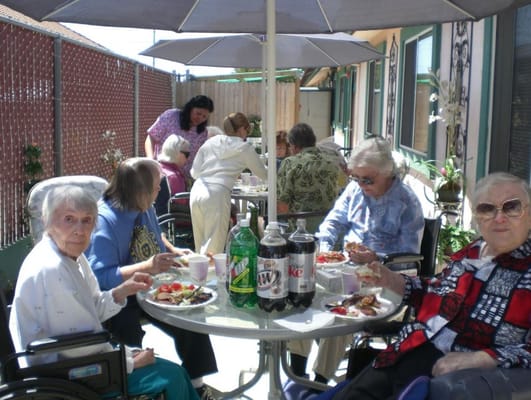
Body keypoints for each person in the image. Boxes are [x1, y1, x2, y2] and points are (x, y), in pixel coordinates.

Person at [326, 171, 531, 399]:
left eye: (511, 207)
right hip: (408, 350)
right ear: (477, 217)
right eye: (487, 209)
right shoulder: (470, 253)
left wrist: (483, 358)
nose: (499, 217)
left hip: (456, 378)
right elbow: (434, 292)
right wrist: (390, 279)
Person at [9, 185, 199, 400]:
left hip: (73, 361)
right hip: (60, 376)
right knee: (172, 375)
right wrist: (130, 362)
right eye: (69, 219)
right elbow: (79, 345)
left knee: (169, 369)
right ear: (47, 221)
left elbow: (91, 308)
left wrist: (121, 291)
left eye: (87, 220)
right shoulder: (52, 269)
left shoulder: (72, 256)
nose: (79, 230)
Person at [287, 137, 424, 386]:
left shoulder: (407, 202)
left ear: (387, 173)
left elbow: (408, 258)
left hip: (383, 278)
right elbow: (331, 223)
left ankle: (320, 380)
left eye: (367, 180)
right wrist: (324, 250)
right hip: (344, 268)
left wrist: (377, 258)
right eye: (355, 178)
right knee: (301, 287)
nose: (361, 184)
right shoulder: (354, 190)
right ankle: (297, 370)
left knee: (343, 307)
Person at [85, 157, 218, 400]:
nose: (160, 190)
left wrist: (174, 250)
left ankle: (197, 384)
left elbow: (156, 235)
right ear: (139, 191)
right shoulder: (104, 222)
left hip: (152, 285)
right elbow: (102, 277)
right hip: (120, 293)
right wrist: (147, 266)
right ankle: (134, 386)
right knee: (124, 324)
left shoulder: (143, 206)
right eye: (157, 186)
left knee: (192, 311)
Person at [190, 112, 267, 255]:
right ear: (242, 129)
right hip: (217, 194)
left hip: (197, 190)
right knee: (214, 249)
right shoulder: (244, 148)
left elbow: (194, 173)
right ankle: (211, 277)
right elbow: (263, 174)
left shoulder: (210, 142)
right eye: (246, 131)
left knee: (199, 246)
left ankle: (198, 276)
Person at [277, 123, 339, 233]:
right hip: (328, 225)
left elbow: (282, 205)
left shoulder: (290, 163)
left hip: (299, 229)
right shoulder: (331, 163)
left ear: (294, 146)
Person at [145, 95, 214, 179]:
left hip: (184, 177)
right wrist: (151, 160)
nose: (200, 118)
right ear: (190, 108)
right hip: (161, 172)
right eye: (198, 113)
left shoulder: (202, 133)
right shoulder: (171, 116)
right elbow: (151, 137)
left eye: (204, 117)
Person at [154, 134, 191, 215]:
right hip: (173, 222)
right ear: (177, 153)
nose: (188, 159)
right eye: (187, 155)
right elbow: (181, 203)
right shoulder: (174, 177)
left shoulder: (156, 168)